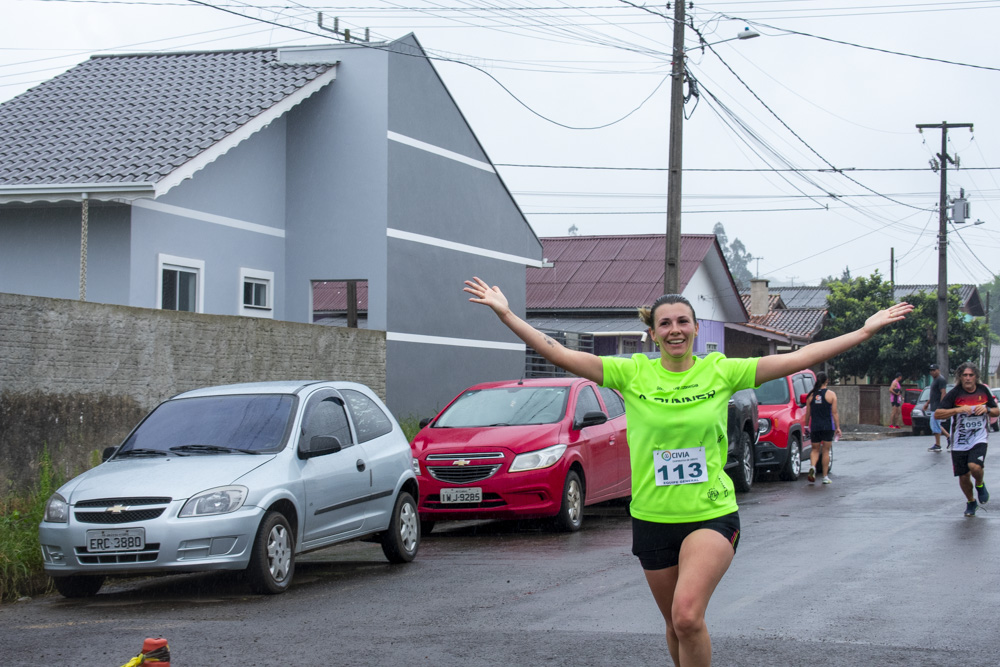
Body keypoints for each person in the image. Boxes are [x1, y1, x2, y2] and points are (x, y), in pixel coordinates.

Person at [464, 276, 912, 667]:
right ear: (653, 333)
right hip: (653, 517)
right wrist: (507, 315)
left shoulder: (722, 371)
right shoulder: (631, 373)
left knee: (687, 615)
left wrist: (864, 330)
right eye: (665, 323)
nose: (675, 330)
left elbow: (800, 357)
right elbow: (556, 352)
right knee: (675, 626)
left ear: (696, 329)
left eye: (683, 321)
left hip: (710, 513)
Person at [934, 362, 999, 517]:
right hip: (959, 442)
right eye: (965, 375)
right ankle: (971, 502)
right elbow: (937, 414)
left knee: (975, 466)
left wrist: (987, 409)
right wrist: (957, 409)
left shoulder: (983, 391)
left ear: (976, 377)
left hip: (979, 438)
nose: (968, 378)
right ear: (960, 377)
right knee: (963, 476)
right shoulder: (955, 393)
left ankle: (980, 484)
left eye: (971, 375)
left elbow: (996, 411)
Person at [804, 372, 840, 484]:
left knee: (815, 450)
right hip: (827, 426)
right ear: (827, 381)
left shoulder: (811, 395)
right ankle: (825, 477)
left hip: (815, 426)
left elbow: (808, 414)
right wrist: (838, 427)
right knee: (825, 451)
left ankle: (812, 467)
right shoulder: (831, 395)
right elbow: (834, 413)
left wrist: (806, 426)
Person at [926, 364, 949, 452]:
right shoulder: (934, 380)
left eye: (934, 370)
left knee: (934, 425)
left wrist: (941, 405)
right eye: (931, 370)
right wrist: (927, 403)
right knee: (936, 424)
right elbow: (933, 394)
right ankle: (948, 437)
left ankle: (938, 445)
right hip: (933, 406)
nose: (932, 372)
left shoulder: (940, 379)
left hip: (937, 406)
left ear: (938, 370)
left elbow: (943, 393)